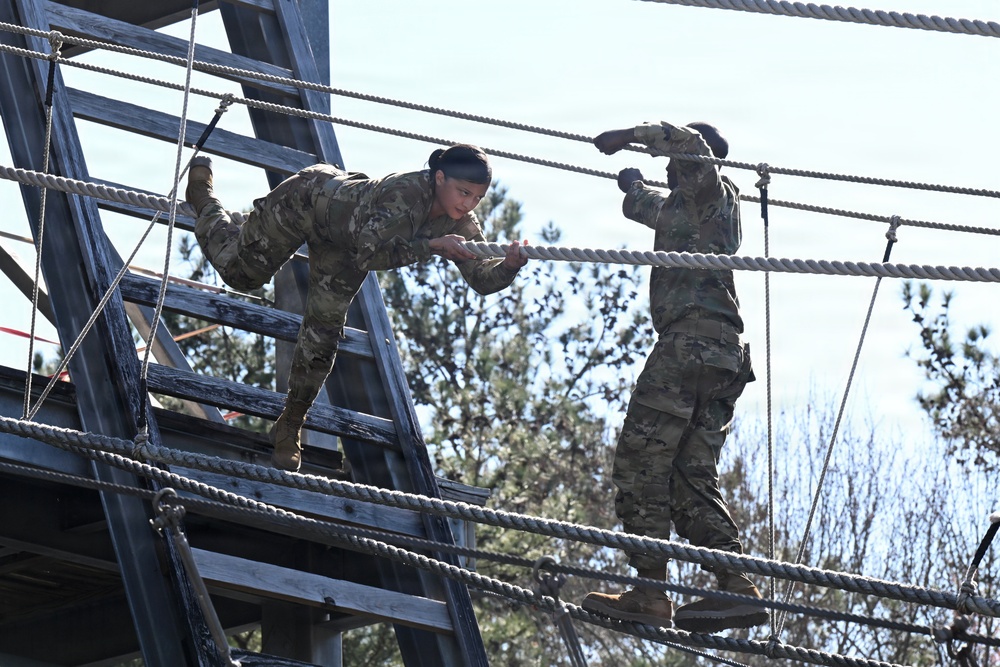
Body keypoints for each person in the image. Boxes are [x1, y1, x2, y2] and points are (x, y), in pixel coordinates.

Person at [185, 144, 528, 472]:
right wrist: (431, 246)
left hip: (345, 246)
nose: (468, 204)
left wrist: (510, 265)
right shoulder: (406, 193)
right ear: (439, 178)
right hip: (307, 201)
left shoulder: (460, 220)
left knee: (323, 335)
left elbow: (481, 278)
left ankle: (289, 424)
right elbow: (370, 254)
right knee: (242, 275)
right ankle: (203, 199)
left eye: (477, 198)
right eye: (463, 192)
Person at [581, 121, 767, 633]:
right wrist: (633, 185)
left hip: (689, 346)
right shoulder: (688, 210)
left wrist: (628, 134)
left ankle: (649, 592)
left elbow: (689, 145)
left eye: (673, 166)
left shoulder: (708, 189)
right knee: (689, 475)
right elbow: (650, 209)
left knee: (642, 462)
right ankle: (736, 585)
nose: (670, 171)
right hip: (721, 357)